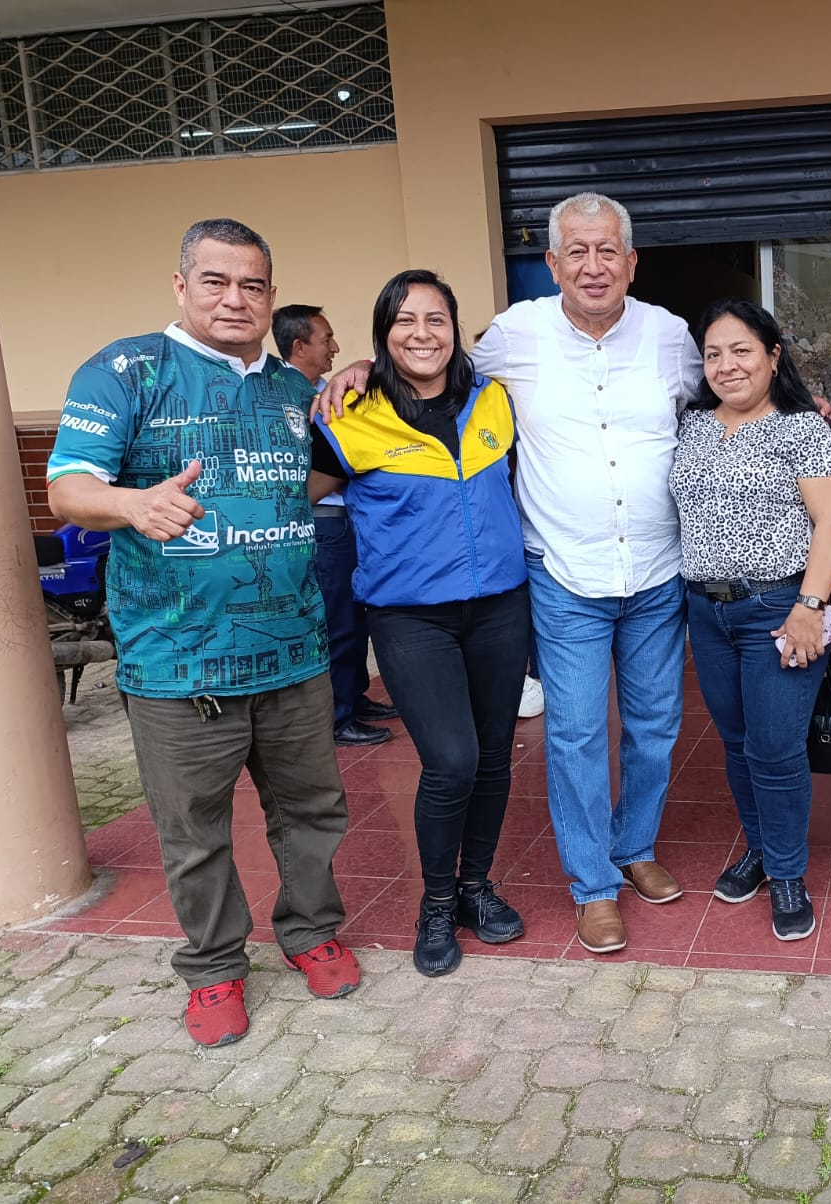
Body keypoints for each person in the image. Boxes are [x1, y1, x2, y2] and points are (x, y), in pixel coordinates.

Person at [320, 192, 701, 956]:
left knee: (656, 727)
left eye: (607, 250)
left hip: (656, 573)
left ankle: (633, 846)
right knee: (575, 734)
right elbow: (427, 360)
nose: (593, 265)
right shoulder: (515, 336)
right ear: (553, 263)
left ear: (631, 261)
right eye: (576, 251)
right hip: (562, 574)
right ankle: (593, 885)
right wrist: (363, 364)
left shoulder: (672, 336)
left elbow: (724, 397)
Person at [46, 218, 359, 1048]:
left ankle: (310, 930)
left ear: (271, 296)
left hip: (293, 652)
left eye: (252, 285)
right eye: (215, 281)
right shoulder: (128, 371)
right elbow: (68, 487)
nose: (234, 299)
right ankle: (215, 967)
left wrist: (361, 373)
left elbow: (321, 469)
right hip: (179, 662)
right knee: (193, 830)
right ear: (181, 285)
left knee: (312, 810)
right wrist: (133, 503)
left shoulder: (292, 388)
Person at [307, 270, 529, 977]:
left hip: (500, 607)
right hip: (409, 617)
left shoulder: (494, 399)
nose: (422, 333)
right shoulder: (349, 414)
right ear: (384, 333)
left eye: (436, 319)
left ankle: (475, 888)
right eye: (404, 320)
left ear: (455, 329)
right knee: (451, 760)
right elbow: (308, 498)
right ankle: (435, 904)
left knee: (493, 757)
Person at [671, 299, 831, 942]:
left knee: (775, 750)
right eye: (713, 354)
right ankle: (759, 846)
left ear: (773, 356)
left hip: (778, 608)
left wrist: (810, 607)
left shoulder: (804, 430)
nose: (727, 365)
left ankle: (787, 872)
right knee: (737, 741)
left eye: (742, 350)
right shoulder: (692, 426)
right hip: (706, 610)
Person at [272, 303, 397, 747]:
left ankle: (355, 695)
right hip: (324, 521)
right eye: (326, 340)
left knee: (355, 614)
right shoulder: (281, 399)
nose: (335, 348)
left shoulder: (332, 389)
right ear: (299, 346)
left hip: (351, 519)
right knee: (338, 618)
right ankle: (338, 715)